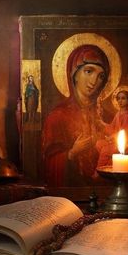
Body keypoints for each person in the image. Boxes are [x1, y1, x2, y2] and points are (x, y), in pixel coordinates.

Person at [42, 44, 110, 186]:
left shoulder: (107, 116)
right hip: (70, 193)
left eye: (100, 76)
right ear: (74, 74)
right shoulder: (58, 116)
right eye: (88, 71)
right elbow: (48, 163)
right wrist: (72, 153)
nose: (94, 82)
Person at [95, 90, 128, 171]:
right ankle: (110, 164)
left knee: (105, 151)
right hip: (115, 140)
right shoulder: (118, 113)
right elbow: (112, 127)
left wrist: (111, 137)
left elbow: (124, 132)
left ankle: (99, 171)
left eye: (123, 98)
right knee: (99, 144)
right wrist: (102, 124)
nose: (120, 101)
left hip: (125, 143)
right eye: (118, 98)